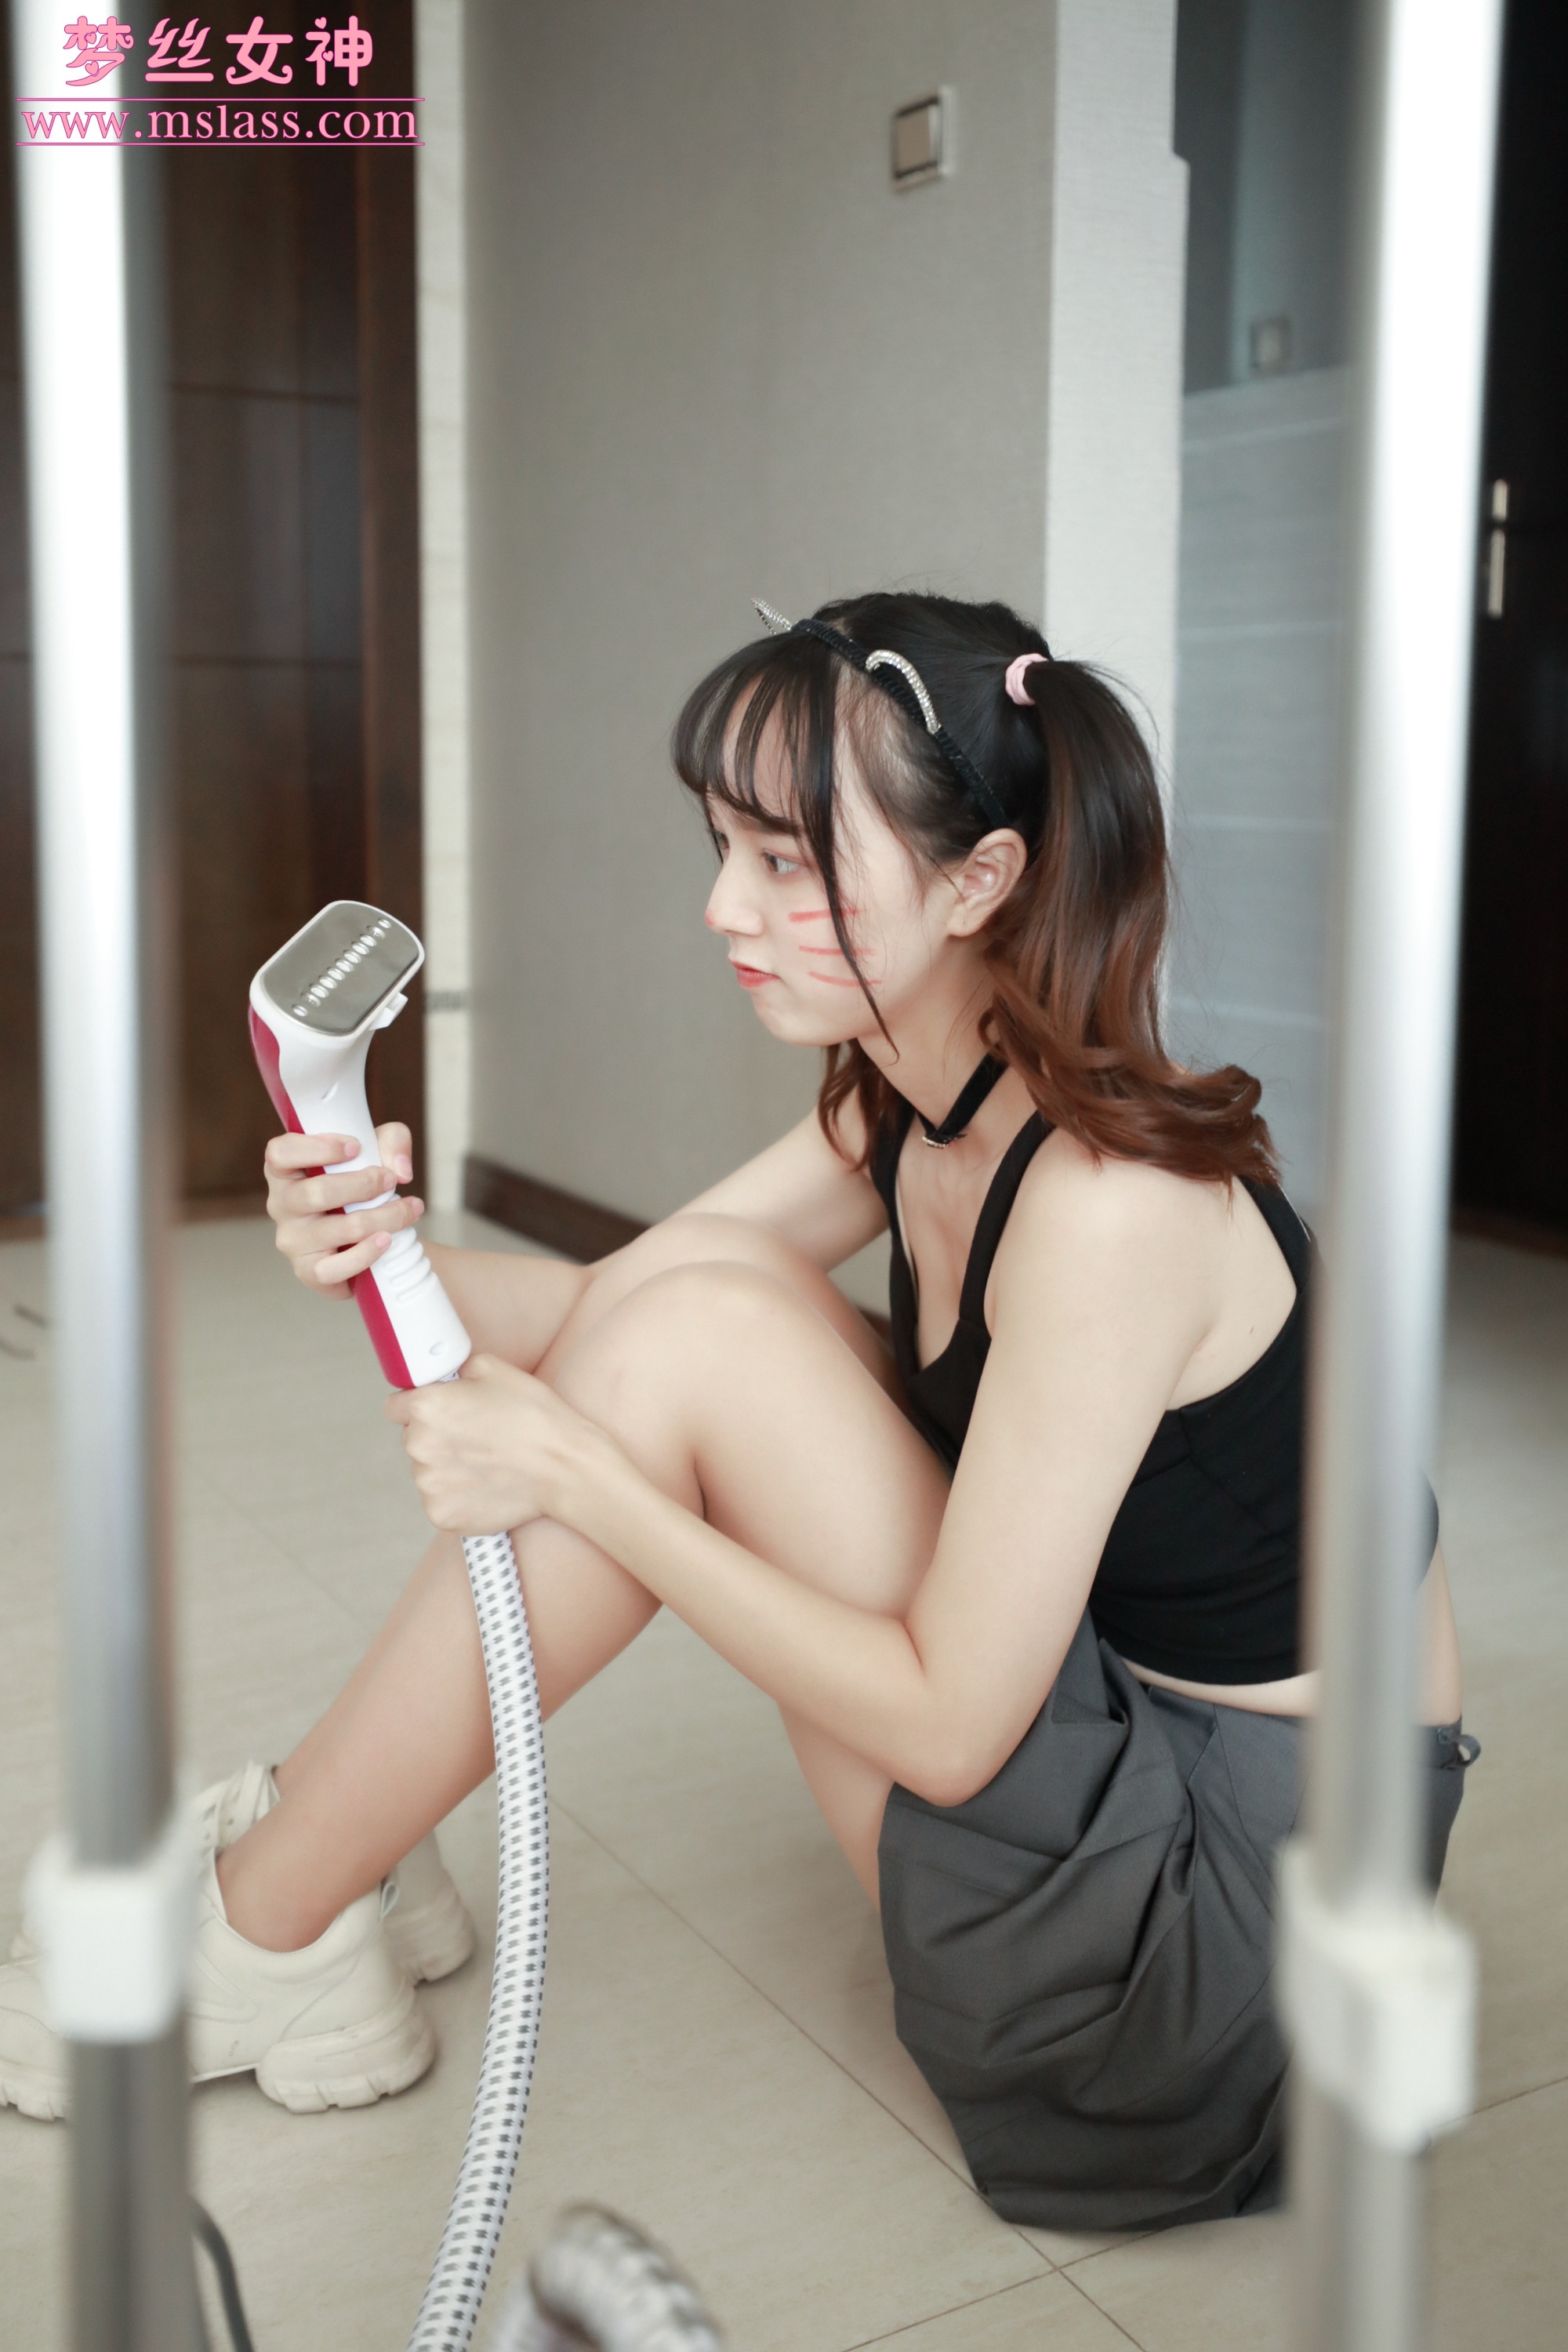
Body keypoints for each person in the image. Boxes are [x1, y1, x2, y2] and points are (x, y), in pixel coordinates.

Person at [0, 593, 1472, 2224]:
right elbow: (620, 1322)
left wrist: (591, 1484)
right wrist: (374, 1243)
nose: (723, 907)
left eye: (786, 861)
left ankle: (275, 1919)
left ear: (979, 880)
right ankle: (326, 1866)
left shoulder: (1108, 1207)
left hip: (1225, 1962)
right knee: (699, 1298)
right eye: (726, 847)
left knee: (703, 1337)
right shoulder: (919, 1098)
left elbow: (945, 1724)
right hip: (1141, 1751)